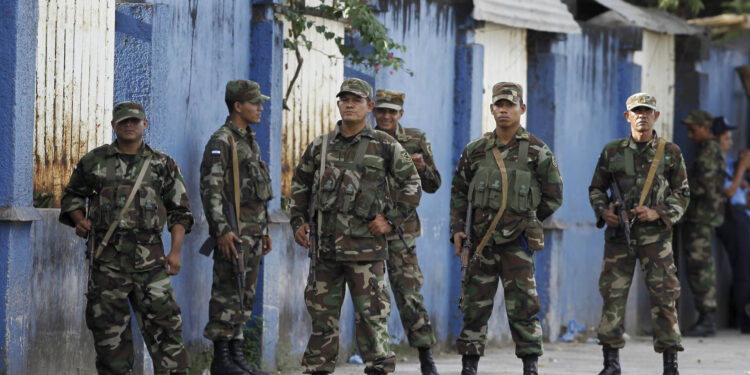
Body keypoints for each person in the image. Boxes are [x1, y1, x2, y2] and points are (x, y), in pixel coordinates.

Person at [290, 78, 422, 374]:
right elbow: (300, 184)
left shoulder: (385, 146)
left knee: (372, 318)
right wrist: (298, 221)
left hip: (366, 251)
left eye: (356, 100)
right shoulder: (320, 146)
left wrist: (390, 220)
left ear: (369, 107)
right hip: (325, 251)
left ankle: (379, 367)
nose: (349, 104)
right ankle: (317, 369)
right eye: (344, 99)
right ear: (338, 104)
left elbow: (412, 184)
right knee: (322, 320)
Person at [59, 101, 193, 375]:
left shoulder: (162, 164)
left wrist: (175, 251)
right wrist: (79, 219)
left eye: (134, 120)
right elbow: (71, 196)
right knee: (111, 346)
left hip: (152, 266)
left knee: (169, 337)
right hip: (107, 265)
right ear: (113, 126)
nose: (129, 125)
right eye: (123, 122)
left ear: (145, 124)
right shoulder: (94, 161)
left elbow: (180, 211)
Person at [450, 82, 563, 375]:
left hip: (518, 244)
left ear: (521, 109)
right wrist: (457, 229)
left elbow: (554, 195)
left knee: (524, 307)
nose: (504, 110)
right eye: (499, 105)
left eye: (510, 105)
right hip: (481, 243)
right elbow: (459, 192)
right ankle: (469, 366)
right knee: (474, 307)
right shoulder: (475, 151)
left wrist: (527, 221)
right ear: (491, 109)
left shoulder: (537, 151)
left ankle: (530, 366)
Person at [589, 93, 689, 375]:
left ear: (656, 116)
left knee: (664, 299)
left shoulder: (670, 153)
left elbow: (682, 194)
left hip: (655, 239)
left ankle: (670, 365)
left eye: (647, 111)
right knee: (612, 297)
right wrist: (604, 212)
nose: (642, 115)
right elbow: (596, 188)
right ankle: (611, 364)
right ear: (627, 116)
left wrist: (658, 212)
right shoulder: (612, 151)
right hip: (619, 238)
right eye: (637, 111)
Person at [199, 80, 273, 375]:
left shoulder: (248, 140)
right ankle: (222, 359)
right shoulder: (222, 141)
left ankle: (237, 354)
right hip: (233, 232)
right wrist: (221, 230)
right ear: (237, 106)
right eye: (254, 103)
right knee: (227, 293)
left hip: (253, 233)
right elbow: (211, 190)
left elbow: (256, 192)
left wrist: (264, 229)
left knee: (244, 295)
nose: (260, 108)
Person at [372, 89, 441, 375]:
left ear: (401, 113)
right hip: (370, 232)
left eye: (392, 112)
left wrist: (423, 167)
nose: (386, 116)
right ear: (373, 111)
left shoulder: (415, 139)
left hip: (402, 232)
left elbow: (434, 184)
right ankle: (379, 359)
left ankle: (426, 355)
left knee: (409, 295)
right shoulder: (365, 139)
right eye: (381, 111)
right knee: (374, 299)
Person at [680, 109, 725, 337]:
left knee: (700, 266)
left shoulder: (709, 149)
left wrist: (678, 187)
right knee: (699, 265)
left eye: (693, 129)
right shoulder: (709, 149)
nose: (689, 135)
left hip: (700, 216)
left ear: (705, 127)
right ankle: (706, 316)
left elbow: (704, 185)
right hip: (700, 215)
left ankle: (707, 317)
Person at [712, 116, 750, 334]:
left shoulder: (727, 163)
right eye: (726, 139)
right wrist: (742, 169)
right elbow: (728, 192)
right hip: (730, 218)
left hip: (741, 216)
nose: (730, 143)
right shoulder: (715, 163)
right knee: (742, 270)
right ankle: (743, 321)